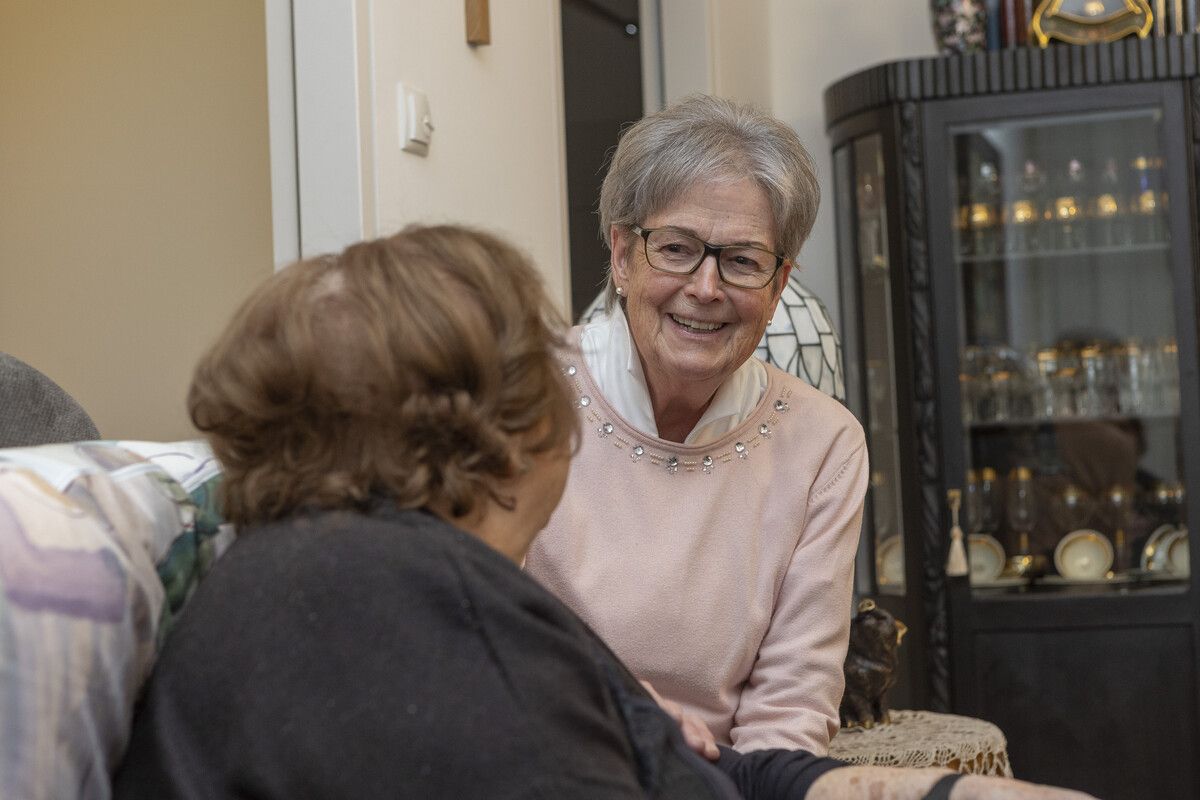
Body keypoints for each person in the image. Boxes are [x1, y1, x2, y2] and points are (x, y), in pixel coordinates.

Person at [113, 225, 1093, 800]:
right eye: (543, 365)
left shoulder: (372, 574)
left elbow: (666, 759)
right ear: (503, 430)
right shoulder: (397, 605)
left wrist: (904, 789)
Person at [525, 94, 866, 755]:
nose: (706, 288)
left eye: (741, 260)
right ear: (622, 256)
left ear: (778, 285)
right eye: (677, 248)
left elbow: (790, 712)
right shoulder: (522, 396)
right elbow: (475, 637)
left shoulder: (825, 445)